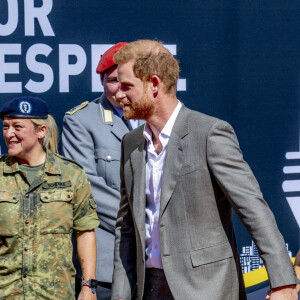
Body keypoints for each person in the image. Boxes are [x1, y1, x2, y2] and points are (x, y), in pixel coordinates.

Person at [111, 40, 299, 300]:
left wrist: (283, 284)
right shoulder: (131, 145)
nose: (117, 94)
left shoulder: (209, 133)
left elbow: (254, 210)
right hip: (150, 290)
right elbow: (127, 230)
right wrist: (120, 295)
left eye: (126, 86)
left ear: (154, 84)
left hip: (207, 289)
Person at [62, 42, 143, 300]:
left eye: (125, 80)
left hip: (160, 261)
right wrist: (144, 220)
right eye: (111, 80)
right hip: (111, 259)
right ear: (101, 82)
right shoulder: (81, 120)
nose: (119, 89)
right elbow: (87, 188)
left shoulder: (158, 118)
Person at [0, 96, 99, 300]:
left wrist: (88, 287)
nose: (9, 134)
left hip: (54, 294)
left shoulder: (71, 174)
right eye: (5, 127)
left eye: (17, 127)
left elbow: (85, 232)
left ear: (41, 131)